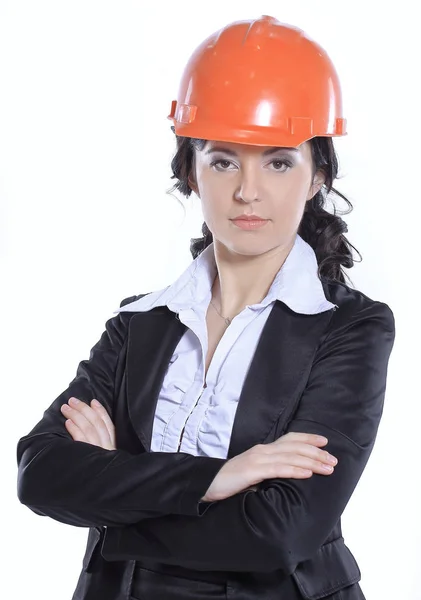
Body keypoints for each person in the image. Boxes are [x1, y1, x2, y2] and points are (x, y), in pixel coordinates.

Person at [16, 15, 395, 600]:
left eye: (277, 161)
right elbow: (40, 474)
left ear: (317, 173)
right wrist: (220, 477)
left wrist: (115, 492)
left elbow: (280, 533)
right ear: (190, 172)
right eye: (222, 160)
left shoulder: (350, 329)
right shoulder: (137, 323)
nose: (247, 190)